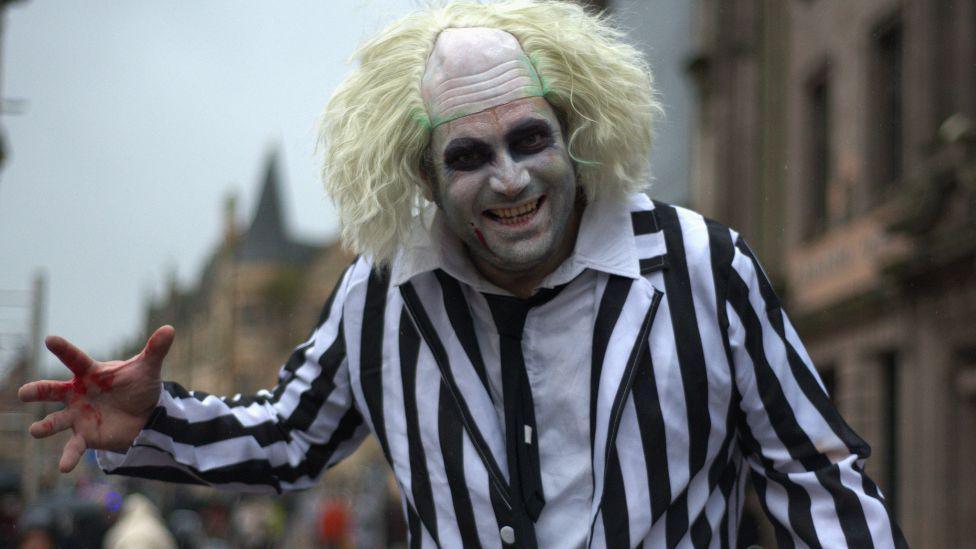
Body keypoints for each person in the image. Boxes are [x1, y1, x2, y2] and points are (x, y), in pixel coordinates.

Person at [19, 1, 907, 547]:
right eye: (470, 155)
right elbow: (290, 435)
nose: (511, 179)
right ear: (425, 177)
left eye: (530, 140)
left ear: (574, 134)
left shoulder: (703, 267)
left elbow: (817, 477)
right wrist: (155, 421)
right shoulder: (381, 295)